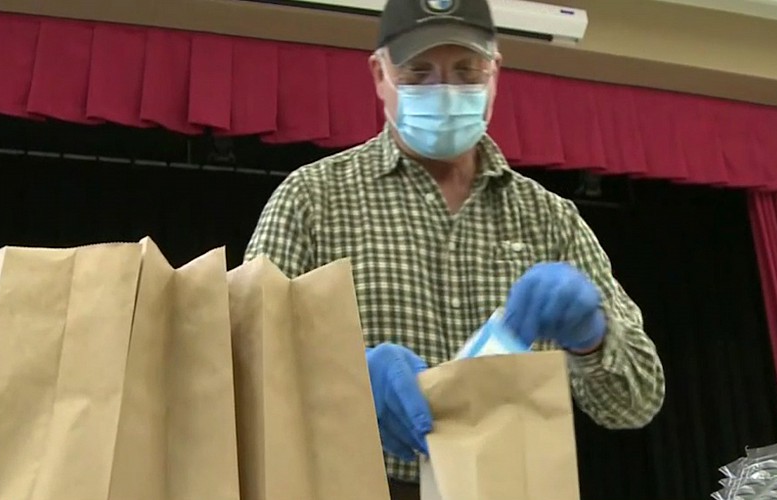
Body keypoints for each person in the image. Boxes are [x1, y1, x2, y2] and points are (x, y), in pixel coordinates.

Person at [243, 0, 666, 496]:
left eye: (466, 71)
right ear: (380, 75)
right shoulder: (312, 198)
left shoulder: (552, 220)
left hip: (511, 485)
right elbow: (245, 363)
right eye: (418, 72)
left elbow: (637, 400)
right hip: (353, 483)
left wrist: (592, 337)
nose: (443, 92)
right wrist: (348, 376)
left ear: (495, 74)